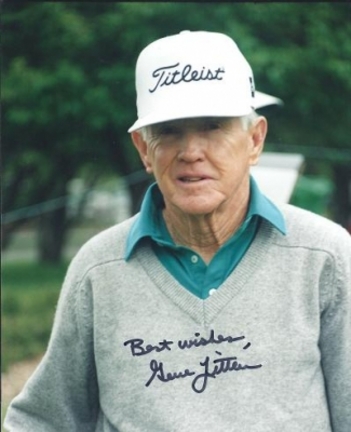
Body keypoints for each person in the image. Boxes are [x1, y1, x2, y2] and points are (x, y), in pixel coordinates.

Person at [4, 30, 351, 432]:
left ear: (255, 140)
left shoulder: (326, 257)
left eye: (213, 126)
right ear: (143, 148)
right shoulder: (100, 269)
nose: (190, 152)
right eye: (169, 130)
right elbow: (43, 420)